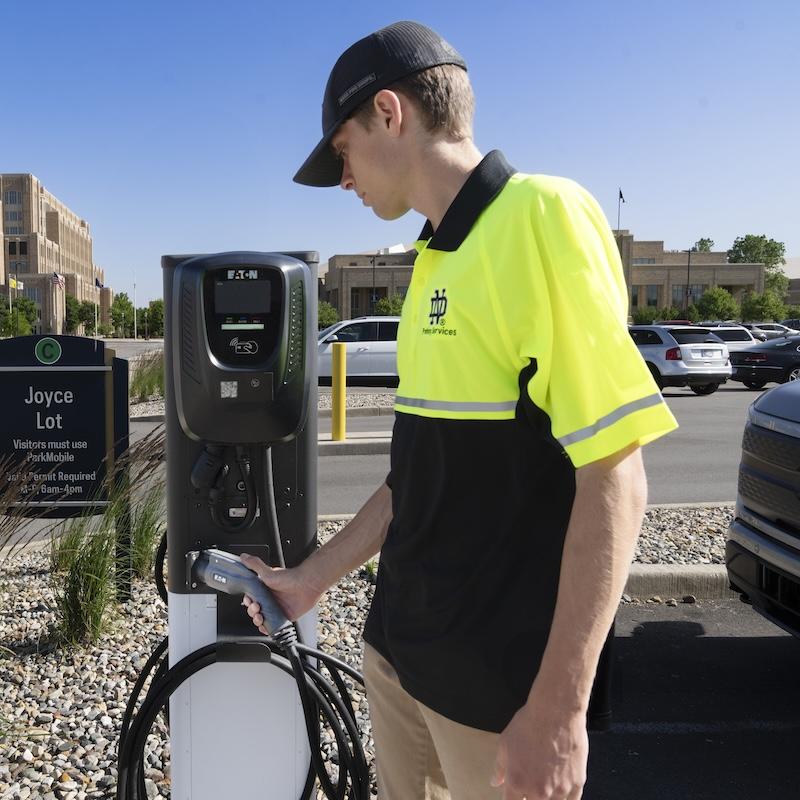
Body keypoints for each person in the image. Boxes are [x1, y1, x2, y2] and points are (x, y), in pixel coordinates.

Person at [240, 20, 678, 800]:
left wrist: (558, 709)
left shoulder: (540, 214)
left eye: (341, 150)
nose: (344, 179)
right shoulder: (433, 259)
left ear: (388, 111)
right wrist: (311, 579)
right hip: (400, 657)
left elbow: (615, 475)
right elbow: (419, 477)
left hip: (495, 694)